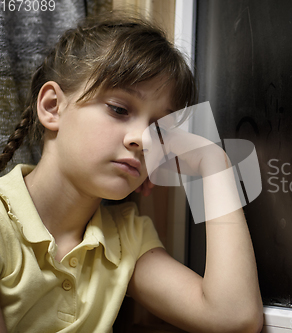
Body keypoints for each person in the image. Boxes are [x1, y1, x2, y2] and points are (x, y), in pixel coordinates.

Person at [0, 12, 263, 333]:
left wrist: (214, 163)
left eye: (159, 128)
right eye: (119, 109)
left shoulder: (126, 237)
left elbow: (234, 317)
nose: (141, 138)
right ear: (53, 106)